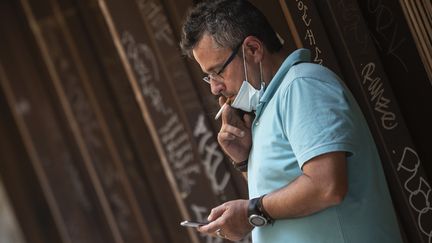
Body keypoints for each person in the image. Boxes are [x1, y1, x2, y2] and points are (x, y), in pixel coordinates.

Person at [180, 0, 404, 242]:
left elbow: (326, 186)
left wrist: (250, 214)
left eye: (217, 71)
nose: (215, 88)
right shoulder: (271, 102)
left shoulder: (301, 86)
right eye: (208, 77)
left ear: (253, 49)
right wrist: (244, 161)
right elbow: (281, 190)